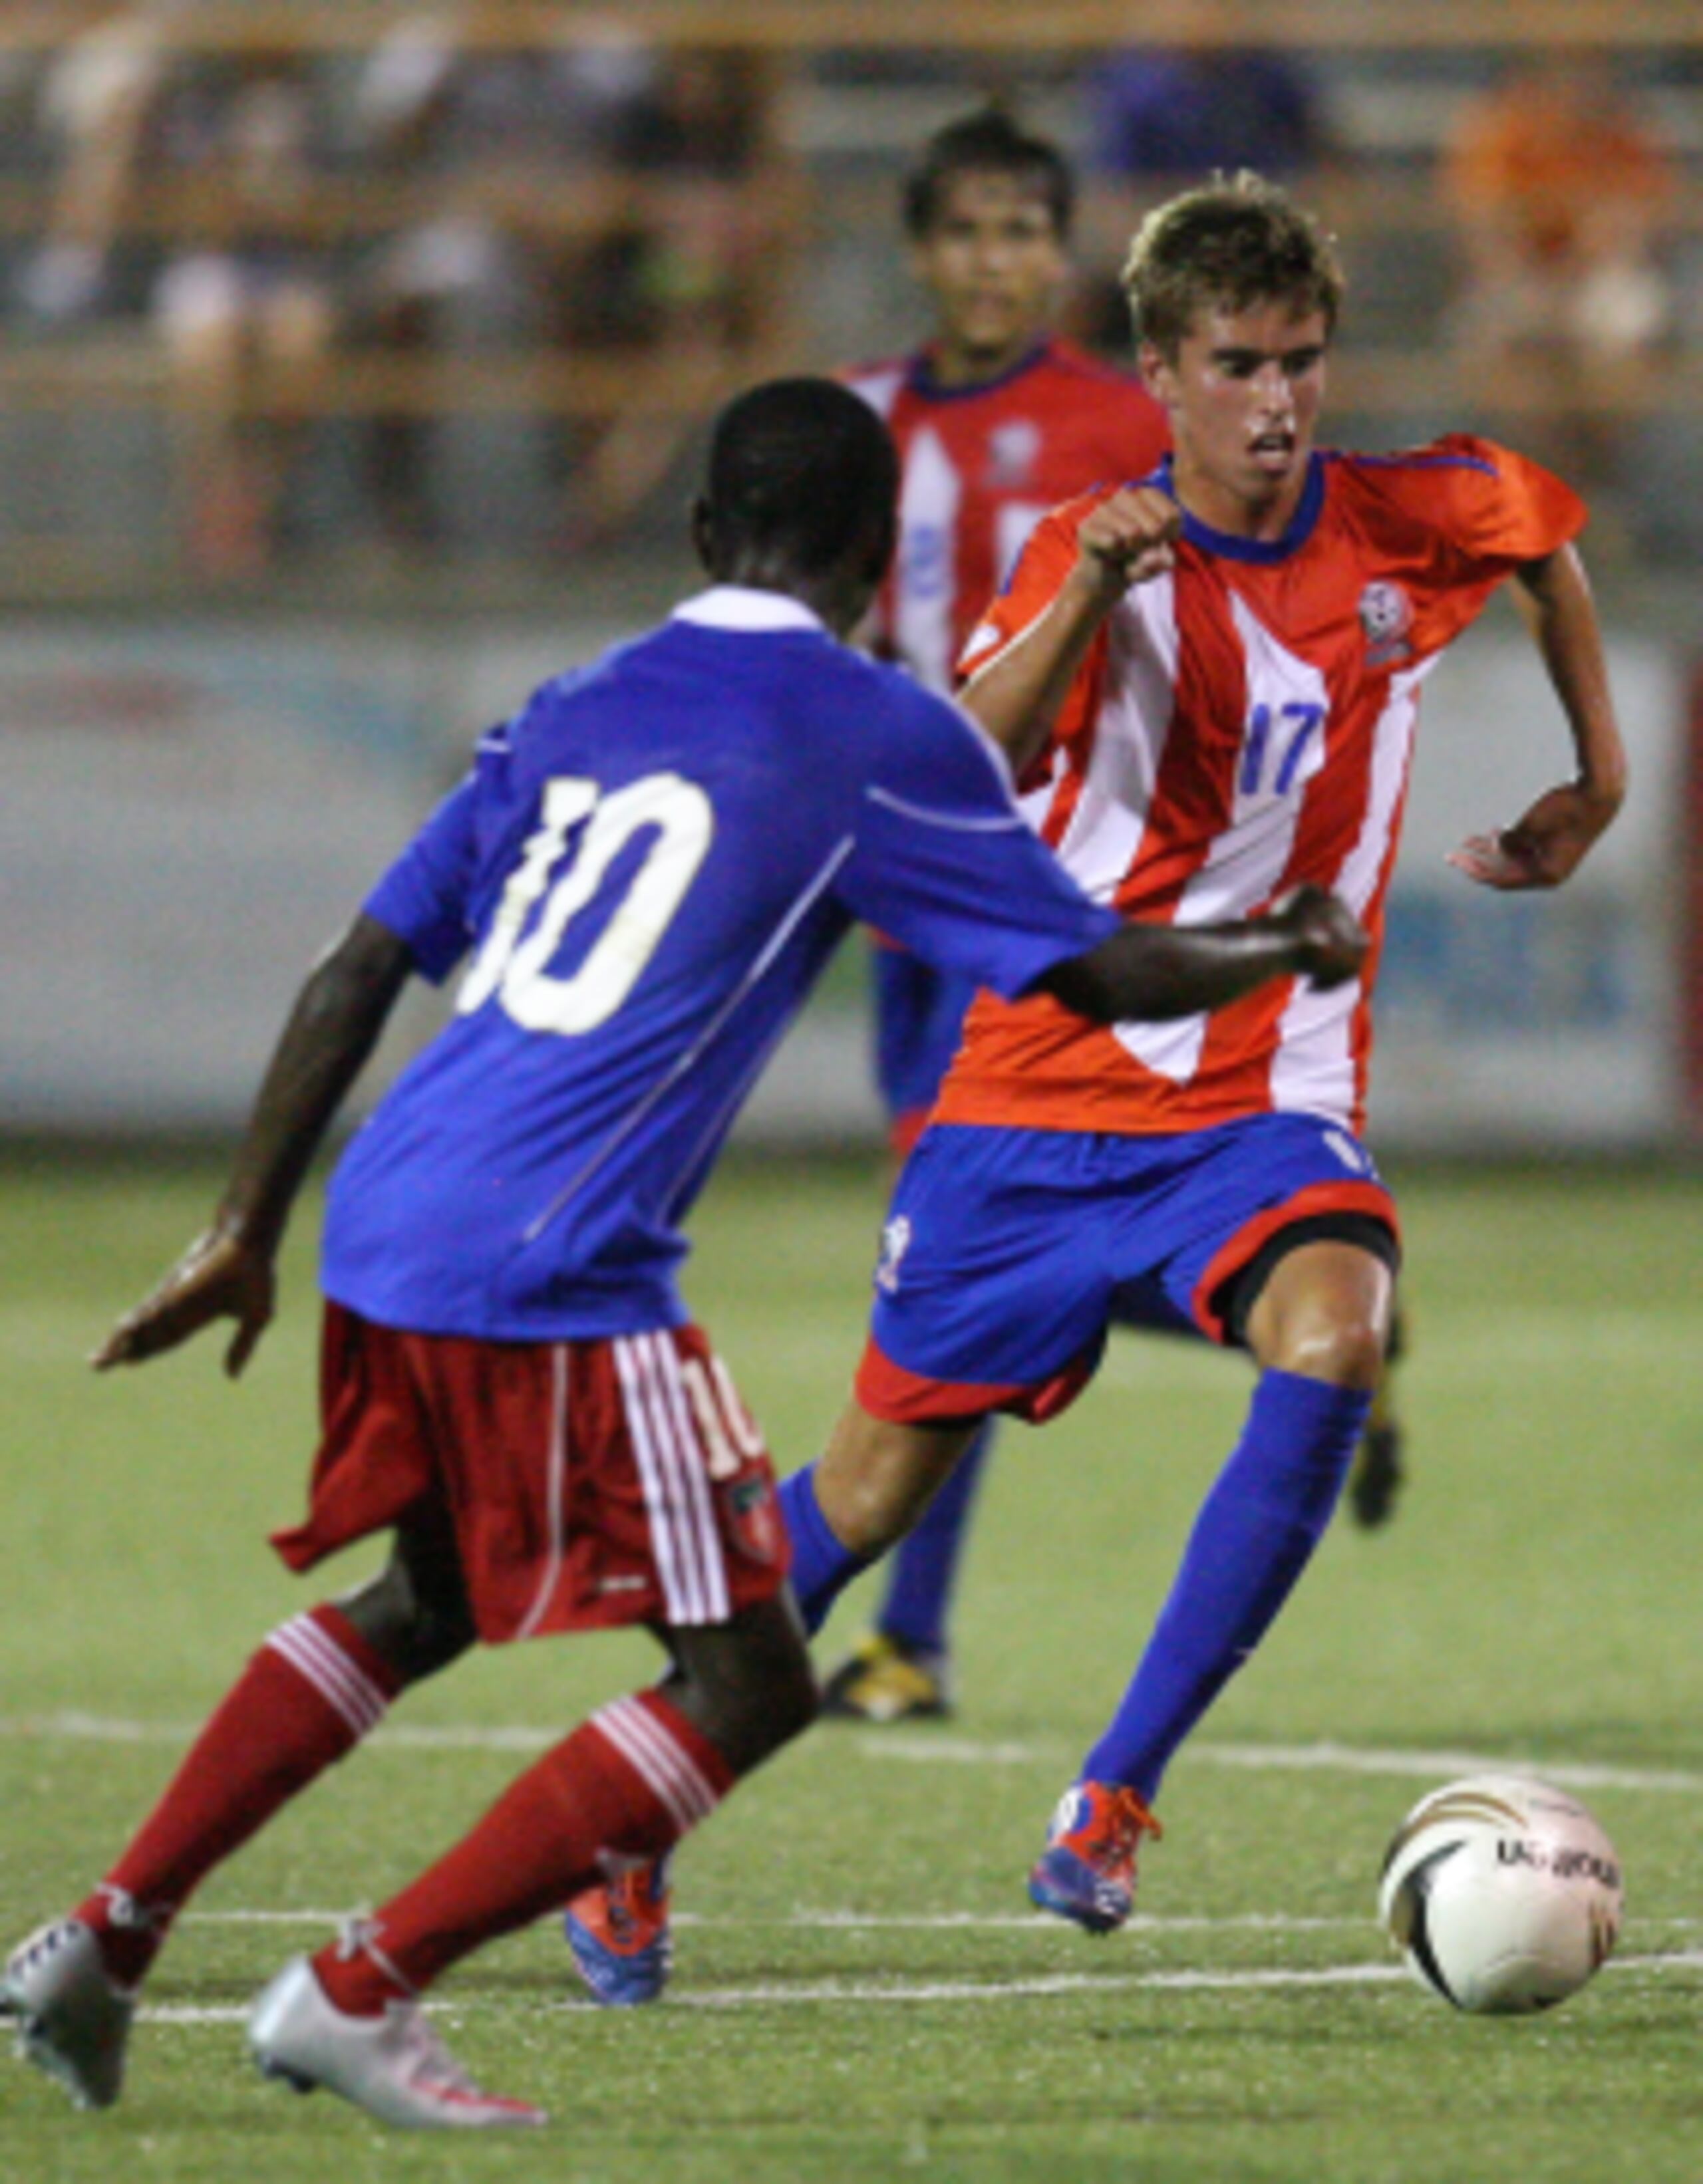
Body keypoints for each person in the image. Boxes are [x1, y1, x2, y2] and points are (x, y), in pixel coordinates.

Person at [0, 375, 1366, 2127]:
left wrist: (238, 1229)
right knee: (747, 1676)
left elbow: (356, 970)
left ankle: (105, 1939)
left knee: (423, 1598)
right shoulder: (881, 729)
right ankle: (358, 1987)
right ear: (880, 560)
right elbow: (1094, 972)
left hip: (389, 1205)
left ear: (704, 535)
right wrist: (1287, 941)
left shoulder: (574, 704)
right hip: (554, 1256)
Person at [568, 173, 1626, 1989]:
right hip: (1038, 1084)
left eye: (1303, 361)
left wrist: (1593, 782)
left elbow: (1542, 535)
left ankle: (1112, 1794)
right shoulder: (1083, 547)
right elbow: (961, 761)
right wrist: (1093, 593)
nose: (1279, 400)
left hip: (1260, 1090)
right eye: (1239, 364)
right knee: (867, 1499)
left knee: (1339, 1331)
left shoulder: (1406, 516)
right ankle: (619, 1823)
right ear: (1161, 366)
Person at [828, 106, 1169, 1724]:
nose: (993, 259)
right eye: (964, 231)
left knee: (952, 1252)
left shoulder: (1128, 419)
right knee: (976, 1245)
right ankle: (1299, 1308)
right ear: (920, 250)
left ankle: (906, 1633)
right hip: (886, 881)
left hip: (1038, 894)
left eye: (1022, 230)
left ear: (1062, 248)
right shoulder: (855, 421)